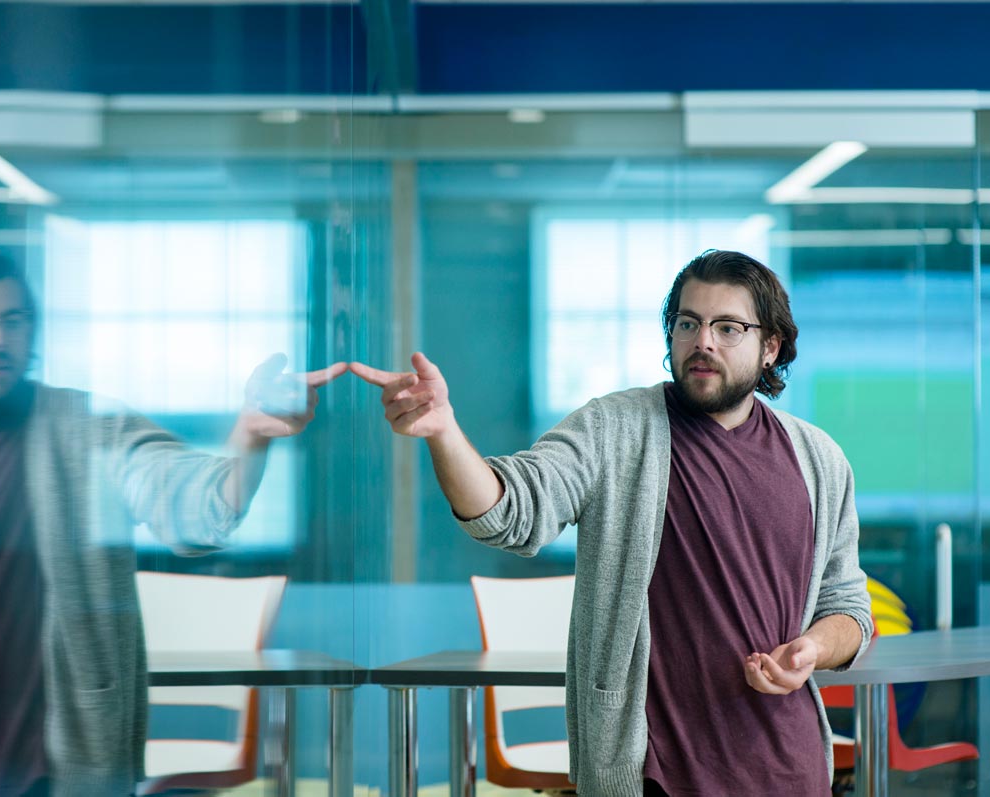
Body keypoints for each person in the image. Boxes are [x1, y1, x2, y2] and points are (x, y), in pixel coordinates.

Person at [352, 249, 872, 796]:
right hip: (654, 774)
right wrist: (443, 431)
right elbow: (510, 512)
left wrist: (812, 648)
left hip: (790, 770)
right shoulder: (616, 429)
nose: (703, 342)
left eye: (728, 327)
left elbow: (848, 609)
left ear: (770, 347)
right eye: (688, 323)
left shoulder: (818, 460)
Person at [0, 250, 344, 797]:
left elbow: (193, 508)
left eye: (13, 321)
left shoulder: (88, 429)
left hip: (59, 766)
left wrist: (248, 437)